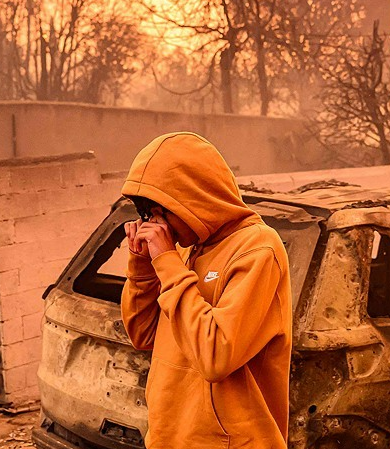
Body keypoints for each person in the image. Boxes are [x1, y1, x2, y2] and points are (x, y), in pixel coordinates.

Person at [120, 132, 292, 449]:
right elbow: (142, 335)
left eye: (161, 212)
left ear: (194, 198)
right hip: (169, 438)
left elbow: (216, 356)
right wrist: (144, 266)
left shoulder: (257, 249)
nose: (157, 226)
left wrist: (168, 262)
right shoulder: (188, 250)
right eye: (147, 214)